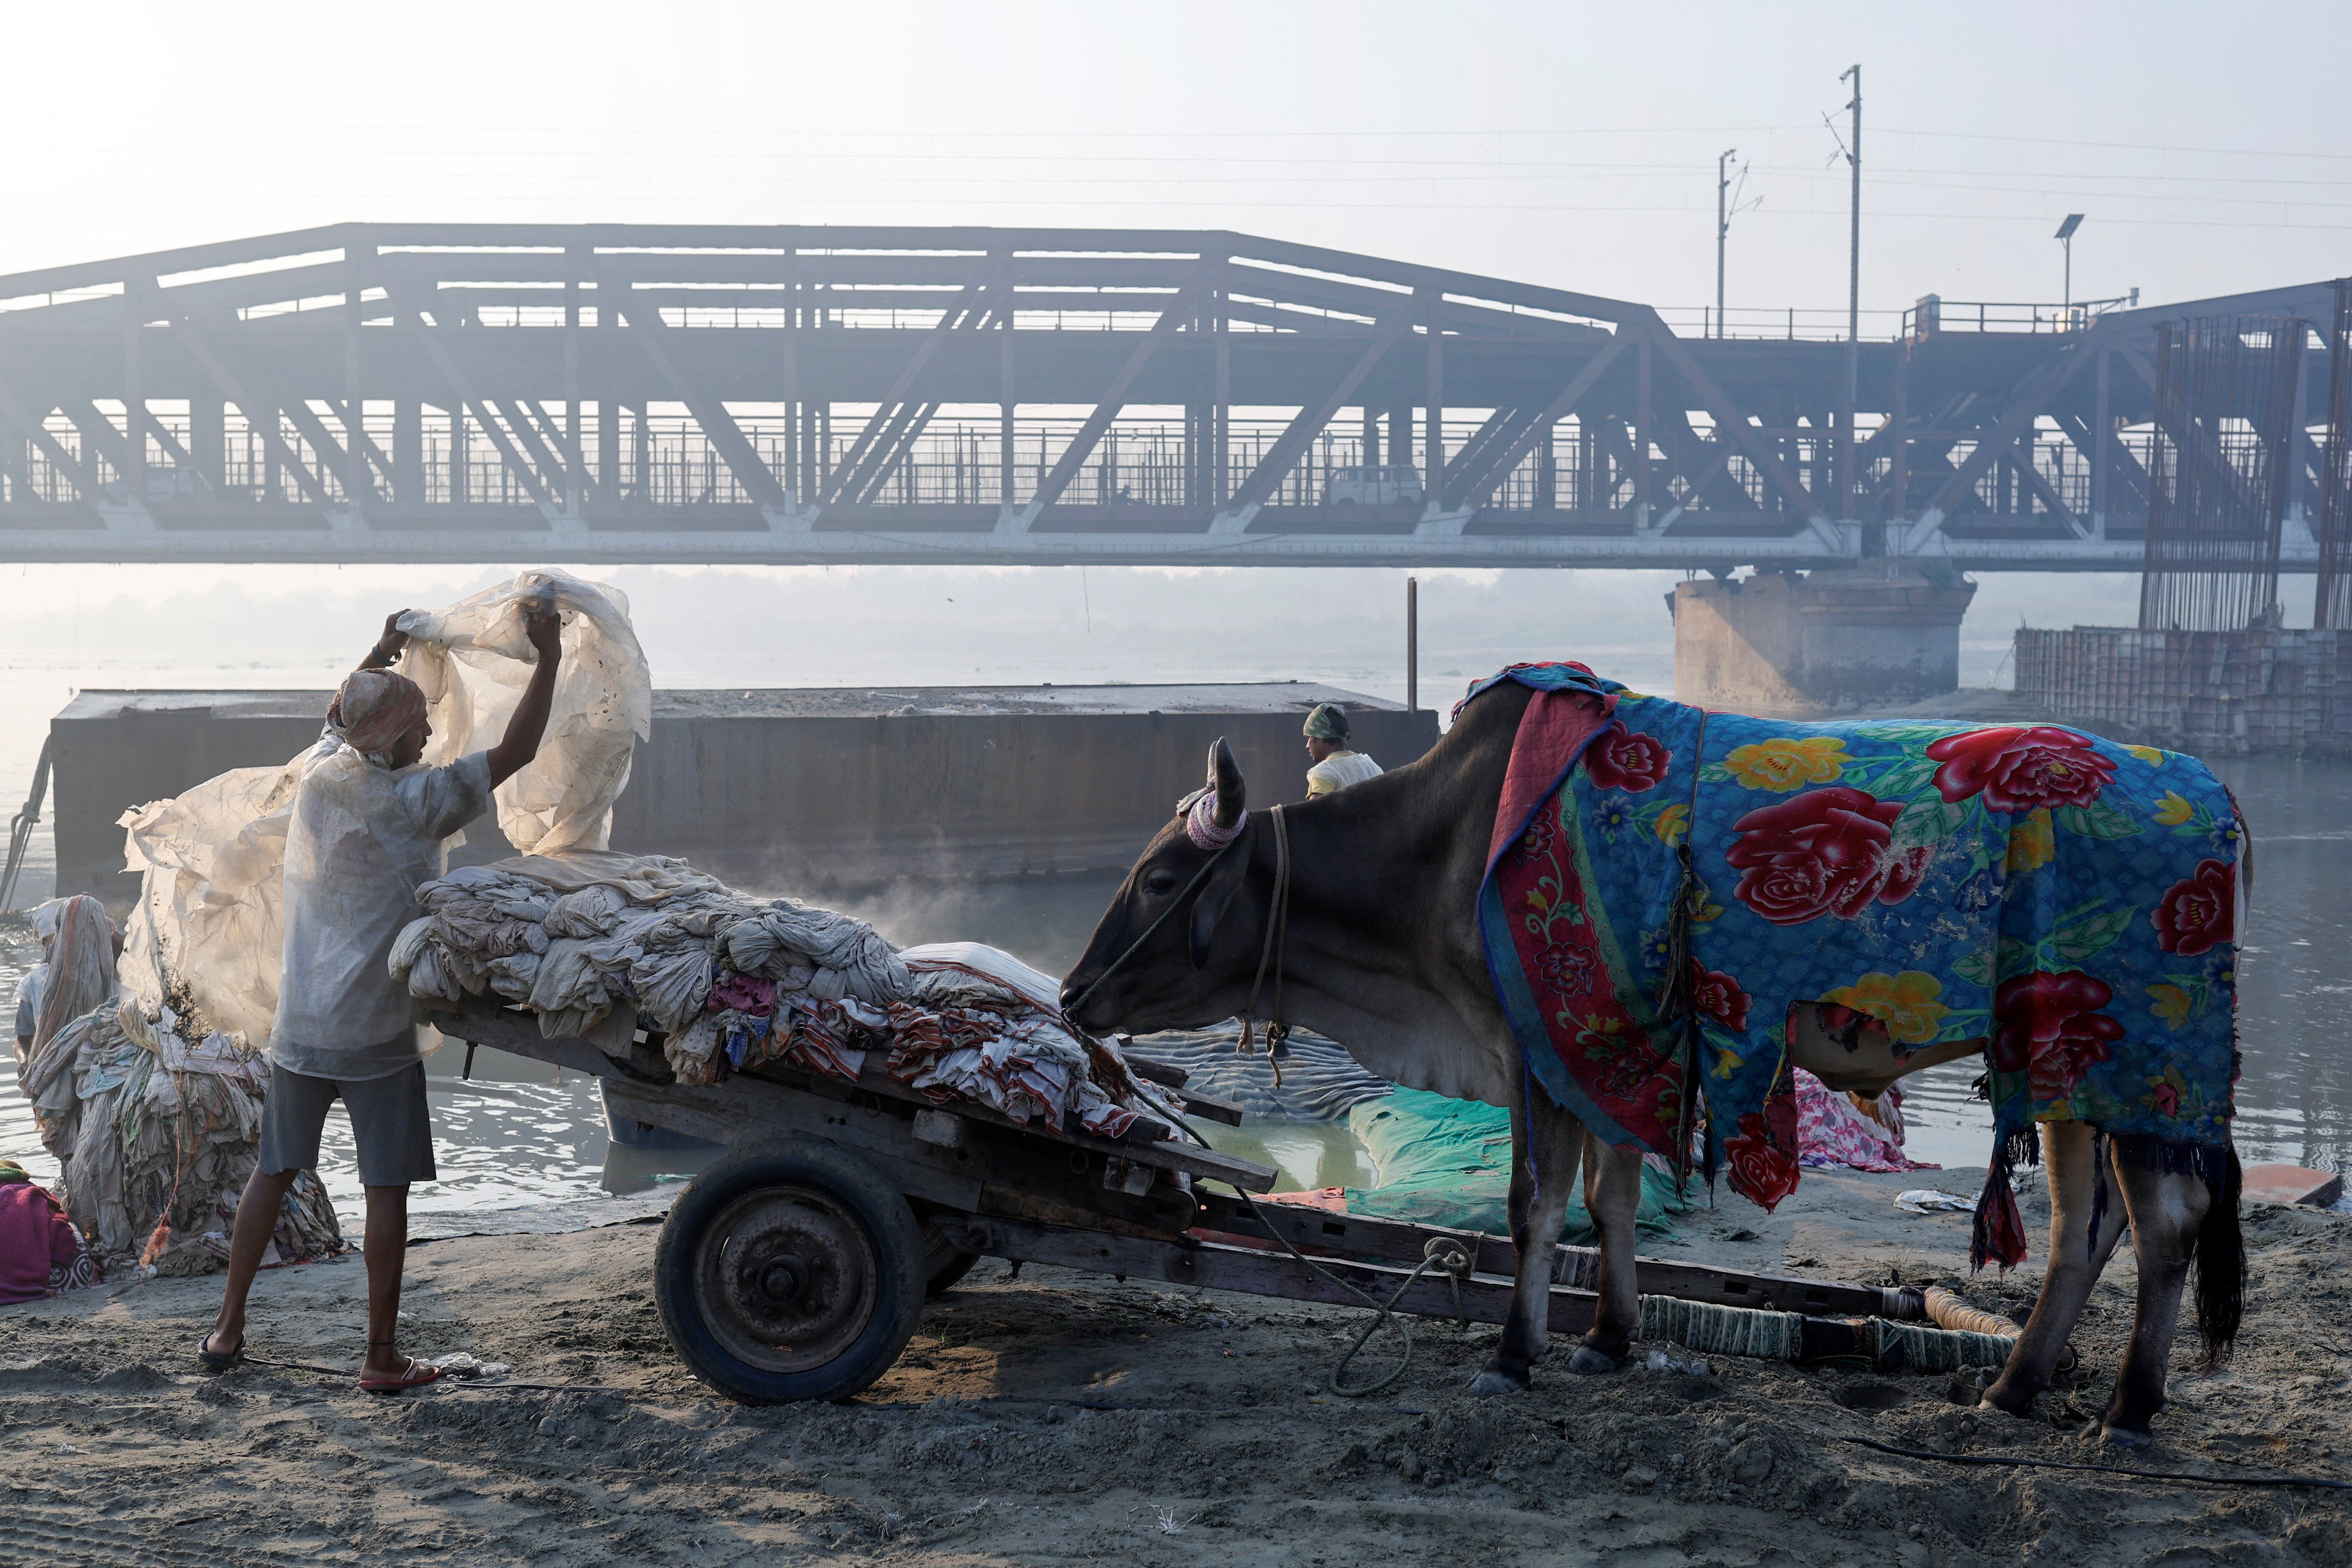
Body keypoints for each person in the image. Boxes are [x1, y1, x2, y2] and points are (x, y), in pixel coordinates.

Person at [200, 606, 563, 1392]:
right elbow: (521, 750)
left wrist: (381, 650)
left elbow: (341, 713)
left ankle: (226, 1330)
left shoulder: (324, 778)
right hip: (373, 1033)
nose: (430, 735)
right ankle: (380, 1357)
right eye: (421, 724)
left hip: (302, 1029)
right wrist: (550, 655)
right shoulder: (416, 802)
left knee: (275, 1171)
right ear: (393, 736)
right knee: (384, 1188)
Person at [1302, 703, 1381, 797]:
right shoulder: (1370, 765)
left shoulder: (1323, 772)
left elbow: (1315, 810)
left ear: (1320, 738)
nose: (1307, 746)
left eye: (1308, 738)